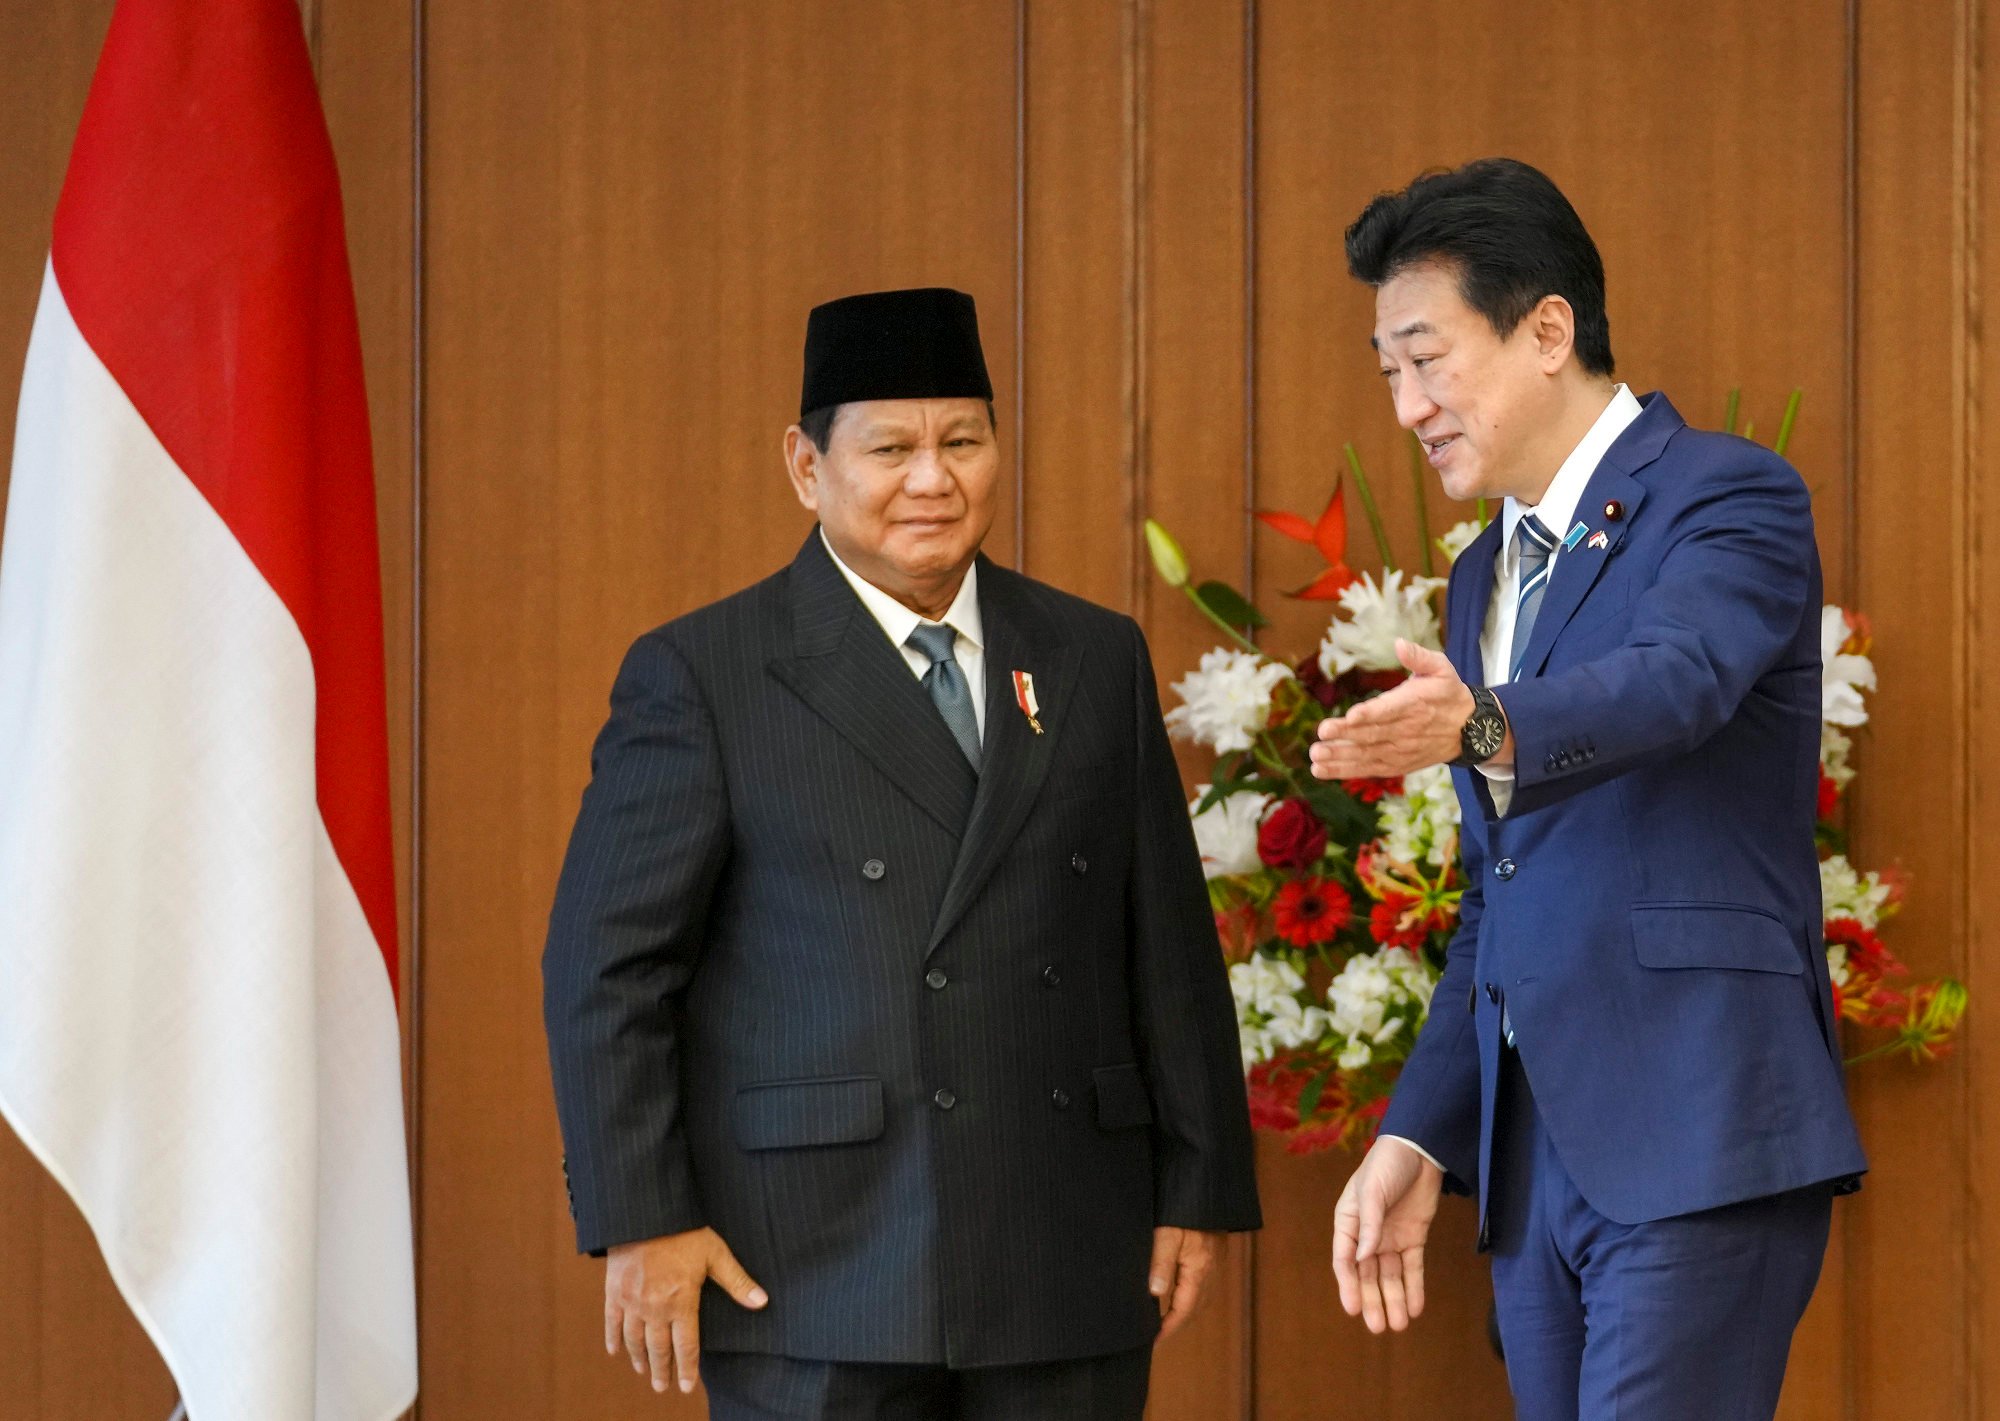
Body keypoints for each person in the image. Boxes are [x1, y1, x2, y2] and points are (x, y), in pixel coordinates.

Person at [542, 286, 1260, 1421]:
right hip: (814, 1256)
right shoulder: (707, 671)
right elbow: (606, 969)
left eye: (961, 441)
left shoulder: (1088, 654)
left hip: (1064, 1237)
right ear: (805, 465)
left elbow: (1163, 939)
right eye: (890, 447)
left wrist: (1200, 1182)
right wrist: (643, 1210)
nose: (932, 478)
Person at [1309, 160, 1867, 1420]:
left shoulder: (1723, 494)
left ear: (1545, 327)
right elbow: (1495, 905)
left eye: (1424, 358)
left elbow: (1678, 679)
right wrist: (1417, 1133)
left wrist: (1484, 718)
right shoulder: (1476, 577)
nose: (1403, 406)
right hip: (1532, 1162)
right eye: (1384, 370)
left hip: (1694, 1120)